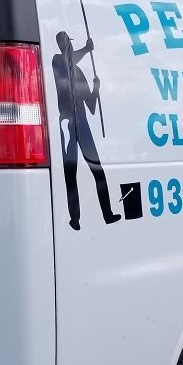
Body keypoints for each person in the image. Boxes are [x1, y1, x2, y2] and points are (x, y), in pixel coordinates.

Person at [52, 31, 121, 231]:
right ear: (61, 44)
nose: (69, 45)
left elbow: (90, 105)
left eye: (69, 42)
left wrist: (96, 88)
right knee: (70, 172)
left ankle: (108, 214)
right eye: (65, 41)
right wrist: (87, 49)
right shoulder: (58, 61)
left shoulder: (80, 72)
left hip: (83, 123)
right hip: (67, 121)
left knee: (97, 169)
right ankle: (75, 218)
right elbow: (67, 60)